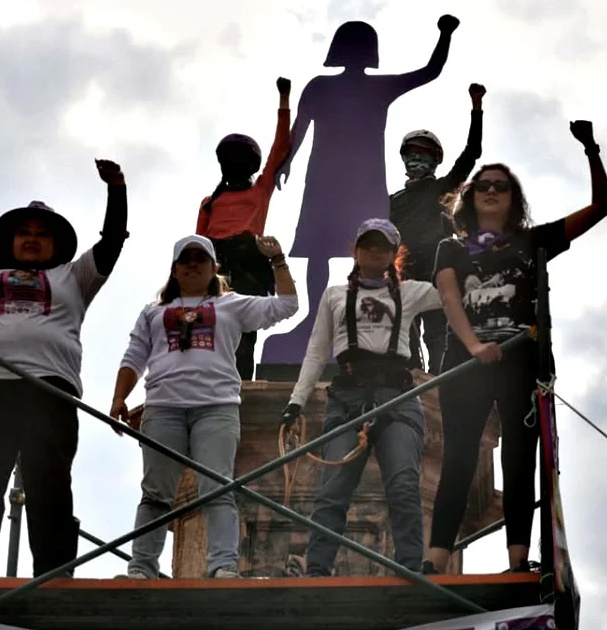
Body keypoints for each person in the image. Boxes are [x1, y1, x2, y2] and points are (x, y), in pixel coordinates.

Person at [0, 159, 129, 578]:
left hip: (50, 386)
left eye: (41, 234)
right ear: (10, 241)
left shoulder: (74, 277)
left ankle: (54, 568)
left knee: (48, 477)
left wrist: (117, 189)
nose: (32, 240)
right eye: (24, 233)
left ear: (55, 245)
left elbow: (111, 243)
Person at [423, 121, 607, 574]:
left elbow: (602, 207)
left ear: (513, 199)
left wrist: (591, 150)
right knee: (459, 455)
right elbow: (449, 298)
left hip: (520, 356)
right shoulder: (450, 248)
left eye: (501, 187)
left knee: (519, 455)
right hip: (465, 359)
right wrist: (474, 346)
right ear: (469, 198)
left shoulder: (532, 241)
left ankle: (516, 557)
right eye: (483, 185)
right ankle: (436, 557)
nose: (491, 191)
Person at [261, 15, 459, 367]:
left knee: (363, 248)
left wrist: (445, 34)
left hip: (359, 183)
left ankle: (356, 311)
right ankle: (314, 319)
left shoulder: (362, 87)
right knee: (318, 250)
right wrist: (286, 160)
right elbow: (300, 127)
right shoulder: (321, 87)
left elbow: (431, 70)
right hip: (327, 180)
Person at [111, 234, 299, 579]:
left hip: (216, 405)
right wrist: (119, 398)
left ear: (215, 267)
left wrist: (278, 261)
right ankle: (141, 568)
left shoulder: (232, 305)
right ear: (175, 269)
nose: (193, 264)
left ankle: (222, 566)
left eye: (201, 258)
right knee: (155, 493)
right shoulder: (154, 312)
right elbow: (135, 355)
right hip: (163, 407)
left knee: (218, 486)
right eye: (186, 259)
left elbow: (287, 305)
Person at [279, 218, 441, 577]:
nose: (374, 250)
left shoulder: (412, 292)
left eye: (382, 245)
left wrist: (460, 251)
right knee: (332, 490)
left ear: (392, 253)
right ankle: (317, 570)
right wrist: (296, 402)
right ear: (355, 249)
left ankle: (409, 568)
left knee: (402, 484)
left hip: (396, 396)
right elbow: (317, 352)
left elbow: (454, 292)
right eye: (368, 243)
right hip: (348, 395)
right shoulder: (336, 295)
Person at [196, 77, 293, 381]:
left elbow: (280, 149)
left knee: (243, 335)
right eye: (231, 159)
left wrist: (284, 100)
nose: (235, 163)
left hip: (249, 261)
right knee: (204, 330)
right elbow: (196, 245)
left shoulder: (259, 190)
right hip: (215, 264)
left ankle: (239, 389)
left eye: (241, 159)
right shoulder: (210, 202)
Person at [389, 82, 486, 374]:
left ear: (435, 161)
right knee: (402, 329)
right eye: (412, 154)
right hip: (401, 270)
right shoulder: (391, 200)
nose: (417, 160)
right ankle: (408, 378)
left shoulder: (442, 189)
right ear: (403, 160)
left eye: (425, 155)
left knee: (437, 331)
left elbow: (471, 154)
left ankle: (442, 382)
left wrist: (477, 108)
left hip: (436, 269)